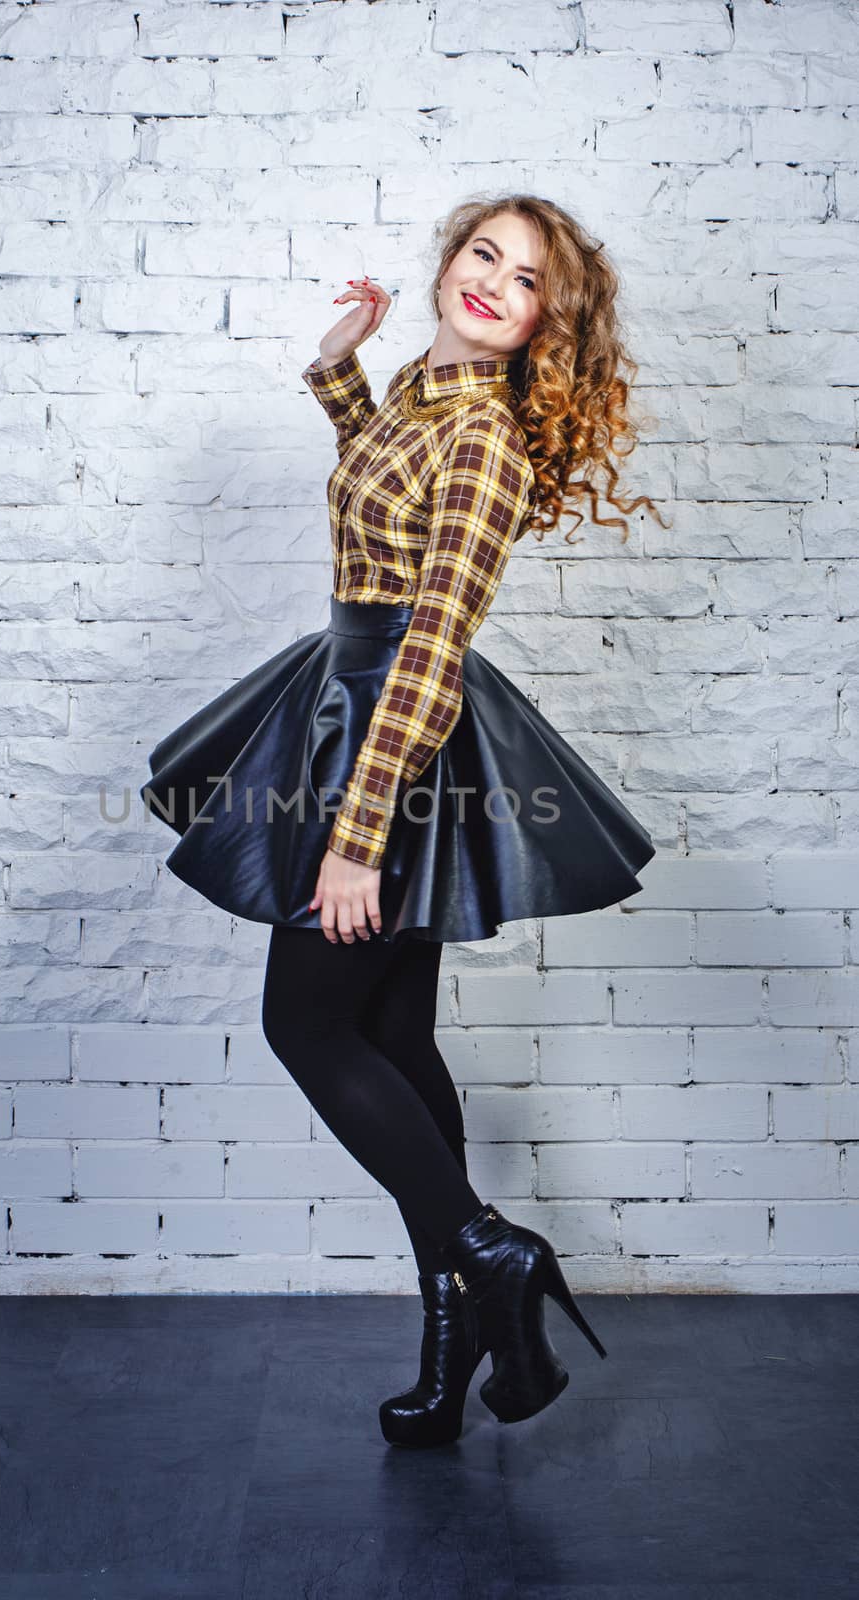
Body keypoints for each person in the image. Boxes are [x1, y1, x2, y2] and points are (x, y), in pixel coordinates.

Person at [141, 195, 666, 1448]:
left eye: (526, 278)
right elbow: (377, 489)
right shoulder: (428, 401)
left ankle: (491, 1252)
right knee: (393, 1033)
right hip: (351, 698)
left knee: (302, 1020)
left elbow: (433, 644)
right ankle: (471, 1337)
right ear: (448, 263)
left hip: (390, 732)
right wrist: (339, 370)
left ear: (547, 321)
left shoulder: (483, 439)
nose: (494, 280)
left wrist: (356, 834)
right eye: (483, 253)